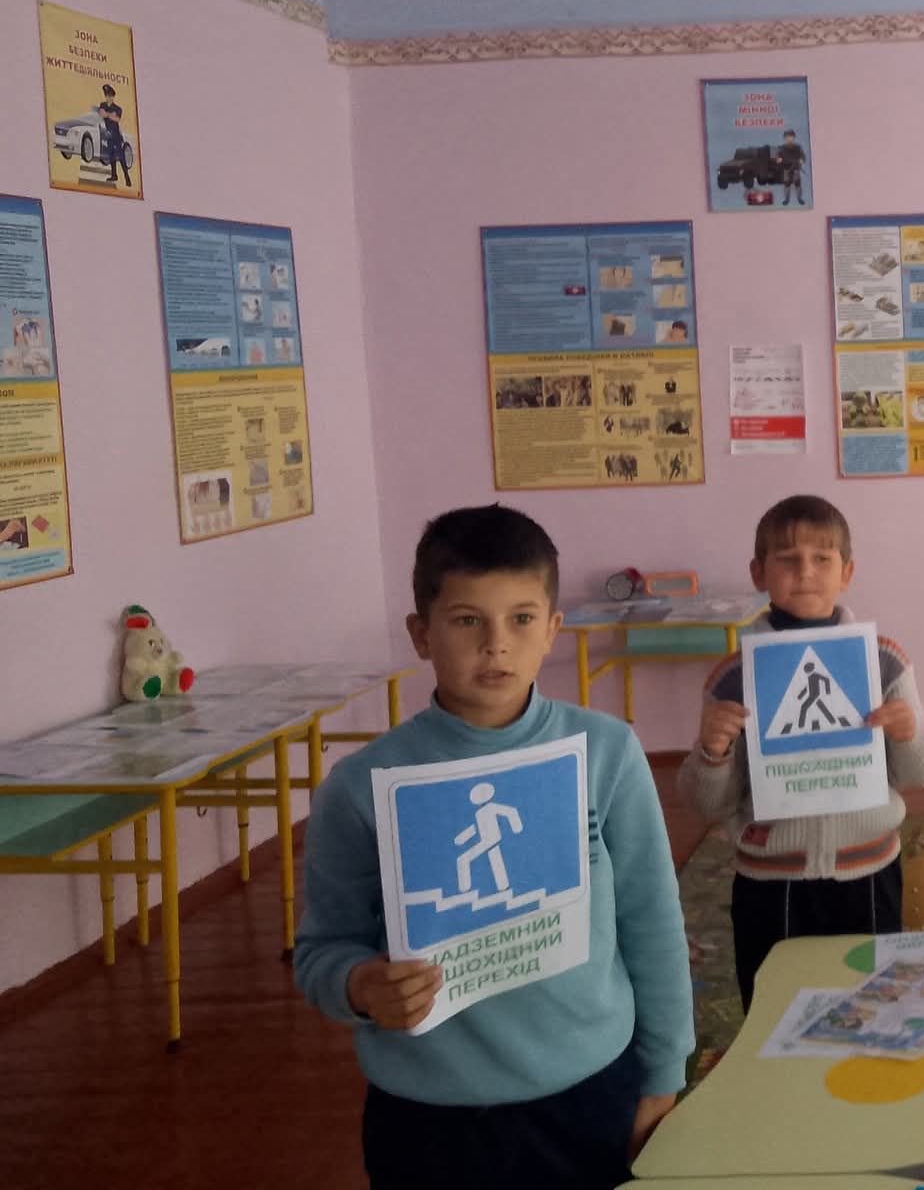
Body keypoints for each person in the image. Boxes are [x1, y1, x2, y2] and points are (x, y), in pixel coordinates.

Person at [294, 505, 692, 1190]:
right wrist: (360, 987)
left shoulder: (607, 753)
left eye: (521, 618)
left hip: (591, 1094)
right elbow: (322, 951)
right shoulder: (361, 788)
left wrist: (663, 1074)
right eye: (466, 620)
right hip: (429, 1119)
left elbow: (652, 919)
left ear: (553, 630)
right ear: (421, 634)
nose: (496, 645)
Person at [686, 493, 924, 1011]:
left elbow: (923, 771)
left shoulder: (883, 662)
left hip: (868, 869)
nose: (805, 572)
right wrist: (711, 752)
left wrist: (909, 731)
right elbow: (708, 802)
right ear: (758, 572)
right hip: (771, 881)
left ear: (846, 572)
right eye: (787, 559)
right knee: (774, 1010)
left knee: (874, 1005)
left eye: (822, 559)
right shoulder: (734, 678)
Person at [776, 129, 807, 206]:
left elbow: (803, 157)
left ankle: (799, 199)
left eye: (791, 137)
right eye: (787, 137)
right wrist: (778, 159)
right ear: (785, 138)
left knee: (797, 185)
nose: (789, 139)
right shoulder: (781, 148)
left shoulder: (798, 147)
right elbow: (777, 157)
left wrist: (801, 160)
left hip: (796, 169)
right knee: (786, 185)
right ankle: (786, 200)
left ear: (794, 138)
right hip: (786, 169)